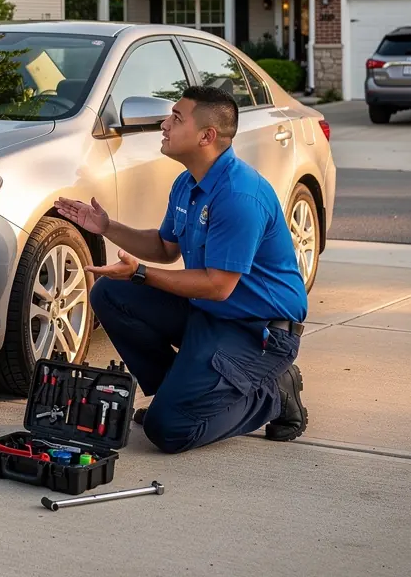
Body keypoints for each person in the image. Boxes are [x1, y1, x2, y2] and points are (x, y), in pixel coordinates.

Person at [56, 85, 308, 454]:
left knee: (169, 432)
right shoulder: (189, 182)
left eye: (176, 118)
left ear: (206, 136)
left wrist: (140, 273)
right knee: (111, 293)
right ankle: (179, 393)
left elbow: (218, 286)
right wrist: (107, 227)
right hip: (211, 313)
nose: (164, 124)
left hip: (259, 331)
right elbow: (164, 247)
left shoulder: (239, 196)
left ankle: (272, 393)